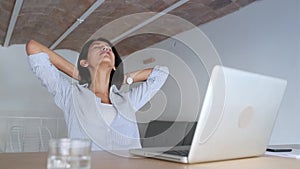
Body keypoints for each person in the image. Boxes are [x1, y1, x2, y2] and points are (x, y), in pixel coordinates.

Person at [25, 38, 169, 151]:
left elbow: (161, 73)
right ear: (85, 62)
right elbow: (33, 47)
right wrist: (79, 74)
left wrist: (121, 78)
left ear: (113, 65)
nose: (105, 48)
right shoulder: (70, 95)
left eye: (109, 49)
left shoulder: (128, 100)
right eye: (97, 47)